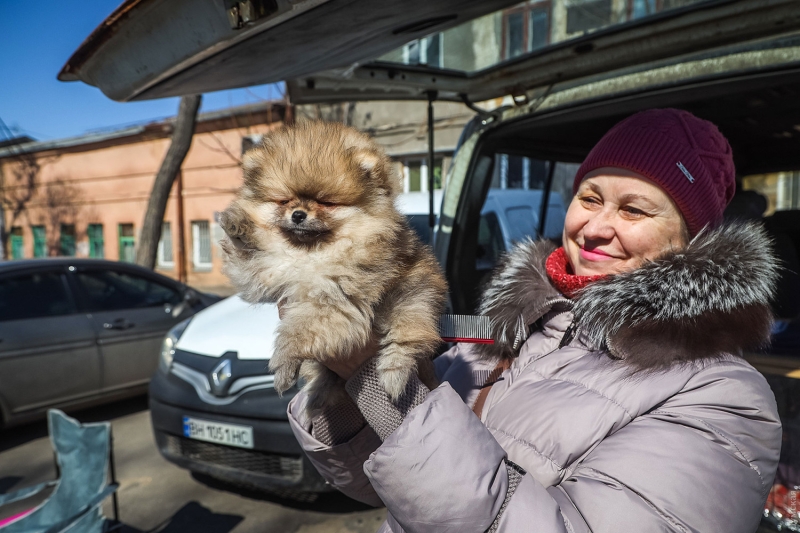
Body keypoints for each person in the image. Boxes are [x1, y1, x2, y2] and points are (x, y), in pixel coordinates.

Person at [287, 108, 782, 532]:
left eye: (633, 210)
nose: (594, 228)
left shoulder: (723, 399)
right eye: (589, 198)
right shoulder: (506, 333)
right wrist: (341, 372)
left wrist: (372, 375)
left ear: (693, 241)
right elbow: (371, 480)